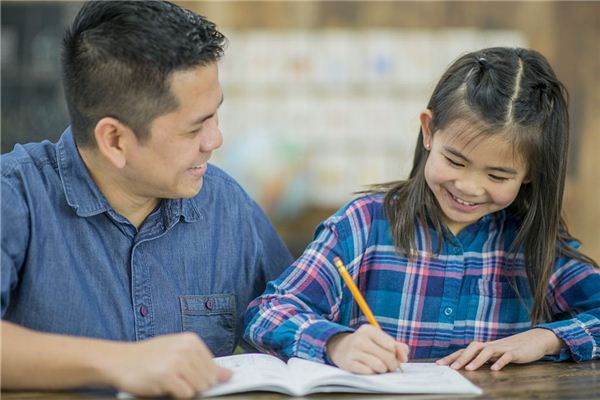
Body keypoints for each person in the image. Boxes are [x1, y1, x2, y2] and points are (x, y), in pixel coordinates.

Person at [244, 47, 600, 374]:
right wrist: (337, 343)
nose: (469, 187)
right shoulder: (364, 225)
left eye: (497, 175)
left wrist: (546, 338)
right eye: (455, 160)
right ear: (429, 131)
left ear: (530, 174)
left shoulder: (533, 244)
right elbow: (267, 313)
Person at [1, 1, 293, 397]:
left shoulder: (229, 207)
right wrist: (118, 361)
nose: (215, 140)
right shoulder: (15, 197)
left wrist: (336, 340)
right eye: (194, 130)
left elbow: (296, 314)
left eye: (215, 114)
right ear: (115, 140)